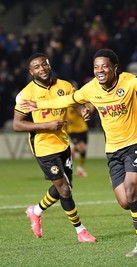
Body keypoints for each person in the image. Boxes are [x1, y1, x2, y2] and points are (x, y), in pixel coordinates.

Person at [20, 48, 137, 257]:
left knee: (131, 190)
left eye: (104, 66)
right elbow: (67, 100)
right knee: (125, 201)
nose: (99, 70)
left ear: (115, 68)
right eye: (96, 67)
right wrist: (38, 104)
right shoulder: (91, 88)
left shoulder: (129, 82)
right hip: (113, 150)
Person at [13, 52, 97, 243]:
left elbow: (76, 103)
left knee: (65, 188)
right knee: (65, 191)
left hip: (63, 143)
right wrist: (46, 126)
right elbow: (17, 125)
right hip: (43, 147)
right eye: (36, 67)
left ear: (49, 65)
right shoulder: (26, 94)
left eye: (43, 65)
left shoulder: (64, 86)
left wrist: (83, 110)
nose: (41, 69)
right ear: (30, 71)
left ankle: (35, 211)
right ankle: (81, 232)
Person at [65, 102, 95, 177]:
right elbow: (66, 119)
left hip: (83, 129)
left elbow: (91, 109)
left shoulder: (80, 103)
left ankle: (79, 168)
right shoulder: (67, 105)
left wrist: (89, 107)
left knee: (83, 150)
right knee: (81, 149)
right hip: (73, 131)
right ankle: (73, 148)